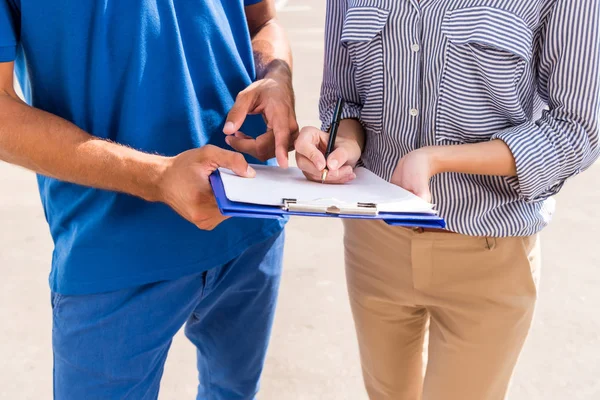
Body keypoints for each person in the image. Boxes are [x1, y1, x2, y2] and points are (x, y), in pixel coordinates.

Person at [296, 1, 600, 399]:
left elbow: (577, 129)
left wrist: (437, 159)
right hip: (375, 246)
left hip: (489, 253)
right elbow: (345, 101)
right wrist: (342, 146)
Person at [0, 0, 297, 398]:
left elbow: (262, 20)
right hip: (113, 250)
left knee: (235, 391)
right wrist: (157, 177)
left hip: (249, 222)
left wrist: (277, 76)